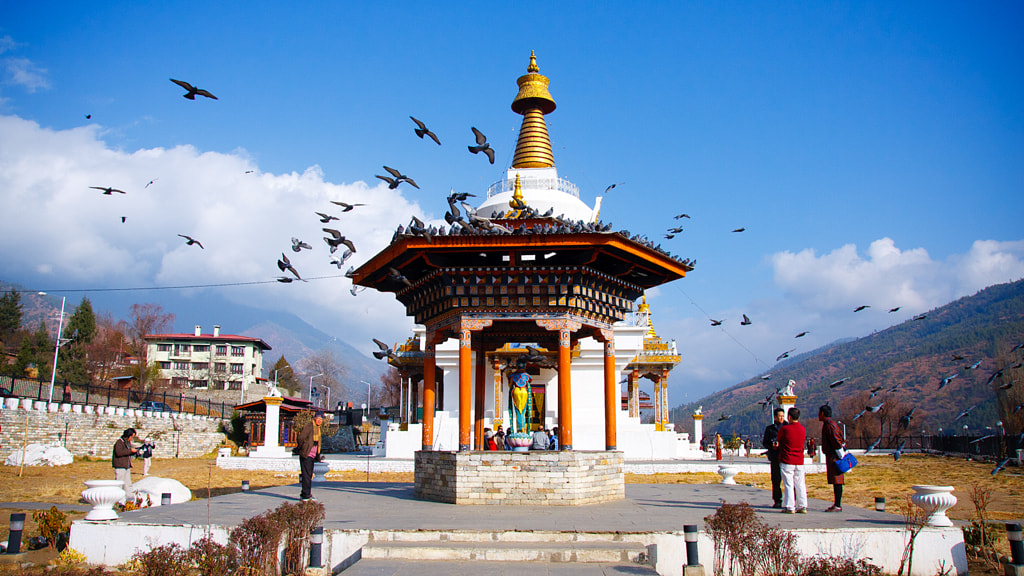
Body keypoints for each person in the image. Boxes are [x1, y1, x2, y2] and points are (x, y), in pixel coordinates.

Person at [776, 407, 807, 514]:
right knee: (800, 484)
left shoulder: (785, 429)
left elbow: (778, 440)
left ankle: (790, 506)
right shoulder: (802, 429)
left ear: (789, 417)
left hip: (787, 459)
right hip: (799, 460)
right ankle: (802, 505)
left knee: (789, 484)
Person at [819, 404, 846, 512]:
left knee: (837, 480)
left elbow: (836, 441)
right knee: (836, 480)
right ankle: (837, 503)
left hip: (834, 456)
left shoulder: (830, 425)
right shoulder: (829, 424)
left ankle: (838, 504)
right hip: (832, 455)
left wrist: (840, 454)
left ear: (822, 413)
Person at [297, 411, 324, 501]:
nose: (319, 421)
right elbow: (301, 438)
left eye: (321, 419)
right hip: (306, 454)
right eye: (318, 419)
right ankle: (305, 495)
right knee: (306, 475)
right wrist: (303, 447)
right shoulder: (309, 427)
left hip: (312, 455)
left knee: (308, 475)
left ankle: (306, 493)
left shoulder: (318, 428)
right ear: (314, 419)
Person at [762, 408, 786, 508]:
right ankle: (777, 500)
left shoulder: (787, 427)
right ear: (775, 417)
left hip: (785, 456)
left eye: (783, 416)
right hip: (775, 457)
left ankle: (791, 499)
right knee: (776, 480)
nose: (781, 418)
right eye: (779, 416)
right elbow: (765, 442)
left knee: (788, 480)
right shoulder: (770, 429)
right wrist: (771, 445)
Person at [112, 428, 138, 504]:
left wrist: (134, 452)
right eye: (131, 436)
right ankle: (117, 500)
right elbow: (119, 452)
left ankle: (129, 499)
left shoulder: (127, 442)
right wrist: (130, 451)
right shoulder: (119, 442)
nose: (132, 438)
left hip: (126, 466)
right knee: (119, 484)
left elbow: (127, 452)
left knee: (128, 484)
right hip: (120, 466)